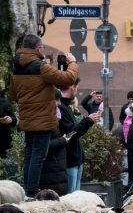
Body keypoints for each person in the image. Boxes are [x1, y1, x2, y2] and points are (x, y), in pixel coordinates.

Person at [10, 34, 79, 197]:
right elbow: (68, 78)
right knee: (39, 155)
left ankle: (27, 189)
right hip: (42, 119)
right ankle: (33, 190)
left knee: (30, 154)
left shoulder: (17, 67)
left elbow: (14, 95)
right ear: (38, 48)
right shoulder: (40, 66)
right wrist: (73, 63)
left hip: (27, 118)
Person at [60, 79, 98, 194]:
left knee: (76, 197)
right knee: (71, 198)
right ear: (72, 87)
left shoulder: (66, 107)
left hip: (75, 160)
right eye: (77, 87)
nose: (77, 90)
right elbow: (71, 133)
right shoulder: (62, 108)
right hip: (70, 161)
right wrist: (88, 121)